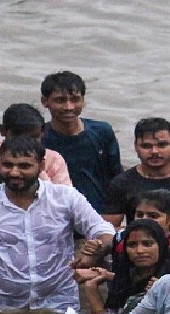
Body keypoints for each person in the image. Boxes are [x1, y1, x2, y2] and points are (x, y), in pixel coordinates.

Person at [0, 136, 115, 312]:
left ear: (41, 166)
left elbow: (104, 230)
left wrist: (98, 246)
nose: (14, 172)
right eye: (7, 165)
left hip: (60, 306)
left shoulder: (65, 197)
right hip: (2, 308)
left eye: (24, 166)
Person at [39, 71, 122, 213]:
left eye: (75, 99)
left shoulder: (102, 132)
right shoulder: (39, 138)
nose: (69, 107)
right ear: (45, 101)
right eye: (60, 100)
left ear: (83, 100)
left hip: (99, 215)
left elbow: (117, 179)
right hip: (55, 215)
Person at [0, 103, 72, 185]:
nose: (24, 144)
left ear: (42, 133)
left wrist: (39, 172)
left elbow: (65, 200)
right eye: (18, 137)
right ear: (3, 130)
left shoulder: (54, 160)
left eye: (33, 138)